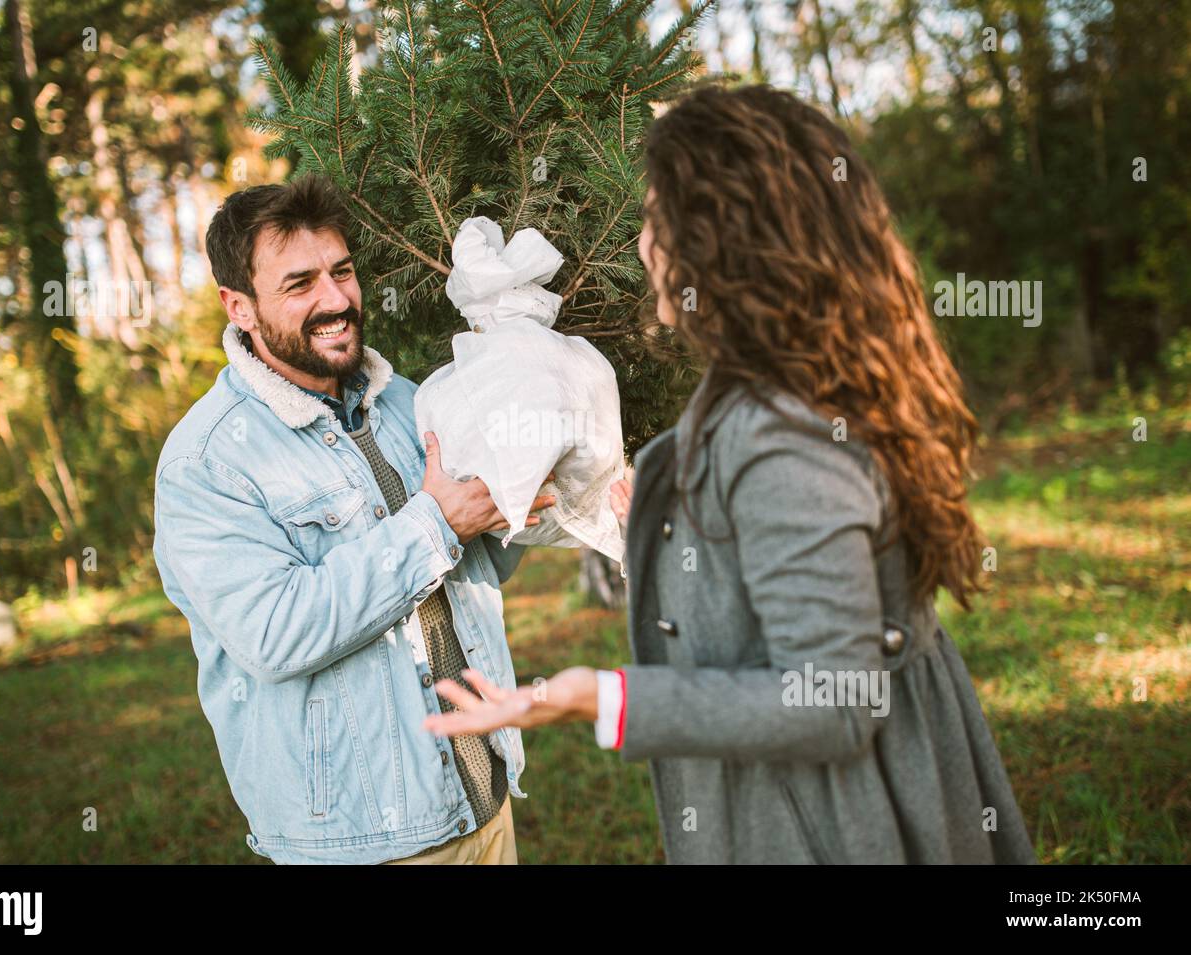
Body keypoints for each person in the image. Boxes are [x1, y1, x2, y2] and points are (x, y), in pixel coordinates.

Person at [422, 83, 1039, 864]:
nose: (643, 243)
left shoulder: (783, 431)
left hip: (840, 820)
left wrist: (601, 696)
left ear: (716, 238)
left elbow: (835, 700)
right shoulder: (817, 375)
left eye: (655, 217)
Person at [152, 174, 554, 864]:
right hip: (362, 843)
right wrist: (436, 524)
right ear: (239, 307)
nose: (335, 299)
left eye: (342, 271)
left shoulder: (407, 400)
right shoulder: (208, 462)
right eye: (300, 283)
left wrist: (526, 494)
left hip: (486, 797)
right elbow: (276, 632)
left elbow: (480, 564)